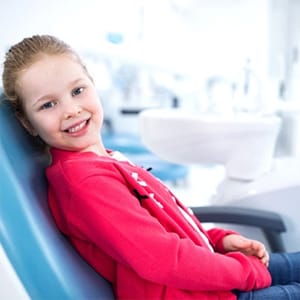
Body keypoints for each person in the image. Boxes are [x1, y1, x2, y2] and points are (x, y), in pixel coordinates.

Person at [2, 35, 300, 300]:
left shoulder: (105, 160)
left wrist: (218, 240)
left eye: (78, 91)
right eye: (47, 105)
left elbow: (168, 223)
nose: (71, 109)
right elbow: (163, 259)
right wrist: (249, 272)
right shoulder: (86, 182)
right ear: (28, 122)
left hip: (206, 279)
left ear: (92, 84)